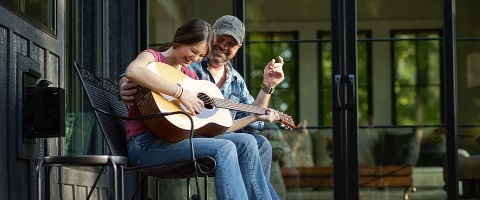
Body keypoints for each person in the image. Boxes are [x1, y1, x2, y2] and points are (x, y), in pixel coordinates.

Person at [120, 16, 284, 199]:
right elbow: (134, 72)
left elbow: (212, 127)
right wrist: (179, 93)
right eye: (194, 51)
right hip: (146, 144)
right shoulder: (157, 59)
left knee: (251, 142)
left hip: (180, 139)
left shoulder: (193, 76)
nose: (195, 58)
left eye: (200, 55)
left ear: (238, 48)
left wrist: (255, 114)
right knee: (226, 148)